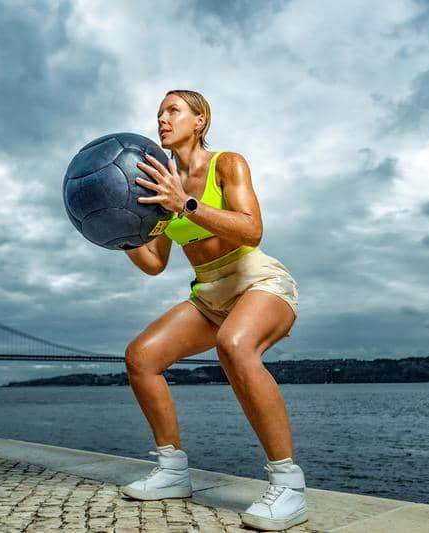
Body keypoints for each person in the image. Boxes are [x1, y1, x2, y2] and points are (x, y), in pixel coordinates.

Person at [117, 90, 308, 531]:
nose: (162, 119)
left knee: (235, 346)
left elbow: (252, 229)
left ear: (199, 120)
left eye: (173, 110)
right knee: (141, 357)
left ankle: (289, 486)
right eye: (159, 113)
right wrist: (118, 235)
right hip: (210, 294)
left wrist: (183, 202)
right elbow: (155, 262)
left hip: (259, 281)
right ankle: (172, 470)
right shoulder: (160, 181)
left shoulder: (227, 163)